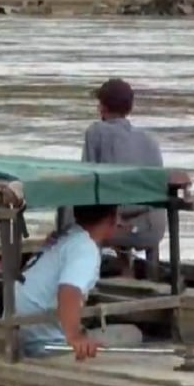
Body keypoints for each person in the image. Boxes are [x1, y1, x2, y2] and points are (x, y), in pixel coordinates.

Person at [16, 204, 143, 359]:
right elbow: (69, 290)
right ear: (112, 219)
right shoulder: (85, 248)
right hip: (45, 341)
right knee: (134, 334)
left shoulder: (65, 235)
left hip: (19, 331)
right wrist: (74, 337)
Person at [61, 78, 166, 261]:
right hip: (154, 228)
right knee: (116, 201)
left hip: (117, 226)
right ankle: (130, 269)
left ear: (102, 107)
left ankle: (77, 270)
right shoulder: (150, 140)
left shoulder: (96, 132)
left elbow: (86, 180)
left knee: (69, 207)